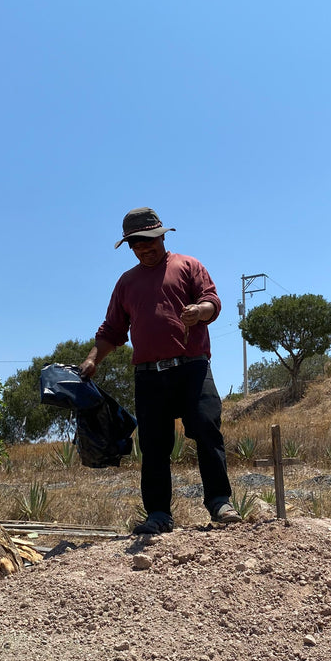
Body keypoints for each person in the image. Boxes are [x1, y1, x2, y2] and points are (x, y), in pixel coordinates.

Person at [80, 207, 241, 537]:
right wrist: (93, 359)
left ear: (162, 237)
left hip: (192, 366)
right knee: (153, 444)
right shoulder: (126, 283)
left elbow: (212, 301)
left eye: (149, 241)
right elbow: (112, 329)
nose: (144, 248)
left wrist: (199, 311)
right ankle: (158, 515)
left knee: (206, 427)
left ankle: (220, 502)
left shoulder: (187, 266)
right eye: (136, 244)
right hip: (149, 375)